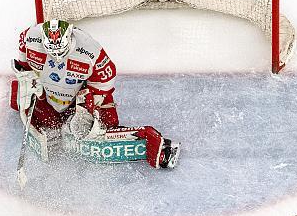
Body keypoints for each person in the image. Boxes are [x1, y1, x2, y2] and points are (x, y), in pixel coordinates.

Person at [10, 19, 180, 169]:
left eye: (60, 51)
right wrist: (26, 80)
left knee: (101, 124)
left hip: (78, 94)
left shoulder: (90, 50)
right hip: (48, 93)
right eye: (51, 51)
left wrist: (86, 108)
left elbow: (104, 82)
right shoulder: (29, 37)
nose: (56, 56)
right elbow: (23, 66)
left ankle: (154, 144)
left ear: (70, 38)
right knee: (45, 121)